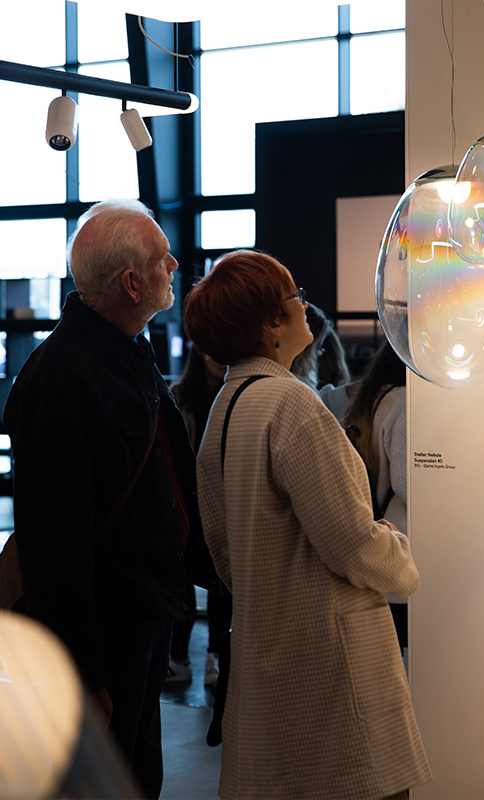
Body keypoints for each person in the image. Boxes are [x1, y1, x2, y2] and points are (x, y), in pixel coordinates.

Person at [183, 249, 432, 800]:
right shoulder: (292, 405)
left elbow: (223, 553)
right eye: (294, 294)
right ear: (271, 321)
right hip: (331, 666)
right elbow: (352, 545)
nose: (303, 304)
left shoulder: (228, 405)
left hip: (270, 651)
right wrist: (399, 554)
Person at [3, 198, 217, 800]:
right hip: (107, 625)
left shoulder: (126, 354)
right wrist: (84, 668)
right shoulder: (63, 375)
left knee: (138, 775)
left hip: (141, 610)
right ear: (130, 281)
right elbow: (53, 537)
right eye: (160, 258)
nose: (174, 263)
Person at [169, 344, 232, 688]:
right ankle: (179, 658)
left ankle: (216, 658)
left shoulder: (234, 391)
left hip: (222, 499)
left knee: (222, 585)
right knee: (184, 583)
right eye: (212, 353)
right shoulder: (180, 395)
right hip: (188, 502)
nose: (220, 360)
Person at [344, 339, 409, 652]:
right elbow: (407, 482)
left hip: (381, 530)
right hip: (402, 536)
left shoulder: (378, 394)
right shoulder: (405, 401)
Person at [291, 303, 355, 422]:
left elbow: (319, 401)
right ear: (306, 348)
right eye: (318, 347)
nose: (318, 355)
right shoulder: (299, 386)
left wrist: (345, 392)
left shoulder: (298, 383)